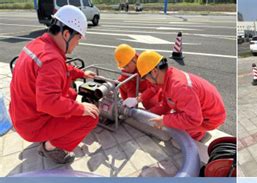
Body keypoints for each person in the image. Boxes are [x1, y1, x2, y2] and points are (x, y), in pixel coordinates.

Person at [9, 5, 99, 164]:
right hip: (32, 124)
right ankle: (51, 147)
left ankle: (51, 135)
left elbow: (60, 69)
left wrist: (81, 73)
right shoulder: (52, 59)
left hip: (21, 114)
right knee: (91, 117)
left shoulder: (38, 45)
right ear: (66, 34)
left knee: (70, 95)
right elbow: (49, 102)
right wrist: (81, 108)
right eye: (78, 38)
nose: (77, 43)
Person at [136, 50, 226, 141]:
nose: (147, 81)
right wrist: (149, 114)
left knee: (178, 133)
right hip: (201, 110)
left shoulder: (179, 87)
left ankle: (198, 135)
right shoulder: (168, 78)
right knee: (173, 123)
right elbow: (166, 104)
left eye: (145, 77)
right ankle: (197, 130)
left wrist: (164, 121)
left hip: (211, 118)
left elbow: (193, 119)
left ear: (154, 72)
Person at [114, 44, 159, 111]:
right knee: (121, 82)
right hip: (138, 87)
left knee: (150, 102)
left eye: (127, 65)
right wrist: (128, 103)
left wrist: (139, 99)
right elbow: (130, 89)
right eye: (123, 67)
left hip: (149, 88)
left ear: (134, 59)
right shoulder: (126, 72)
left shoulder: (146, 63)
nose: (126, 69)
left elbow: (155, 86)